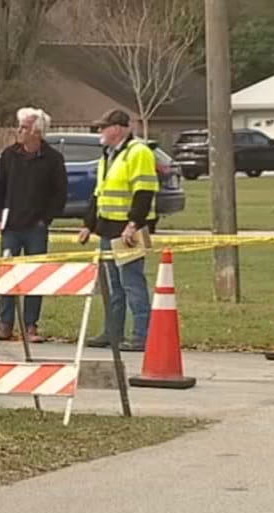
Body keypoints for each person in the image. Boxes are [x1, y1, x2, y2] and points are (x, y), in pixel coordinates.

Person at [78, 109, 158, 351]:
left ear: (119, 128)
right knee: (112, 285)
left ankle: (140, 335)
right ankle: (112, 332)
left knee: (132, 283)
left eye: (104, 127)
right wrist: (88, 225)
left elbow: (144, 191)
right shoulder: (108, 155)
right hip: (107, 227)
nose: (100, 132)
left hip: (127, 230)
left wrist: (133, 224)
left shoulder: (138, 152)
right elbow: (99, 192)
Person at [0, 107, 67, 342]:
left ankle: (31, 325)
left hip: (36, 227)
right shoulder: (9, 155)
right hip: (11, 227)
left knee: (36, 276)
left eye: (24, 127)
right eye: (20, 126)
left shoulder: (53, 159)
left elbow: (60, 193)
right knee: (8, 274)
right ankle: (5, 324)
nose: (19, 131)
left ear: (37, 131)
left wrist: (46, 219)